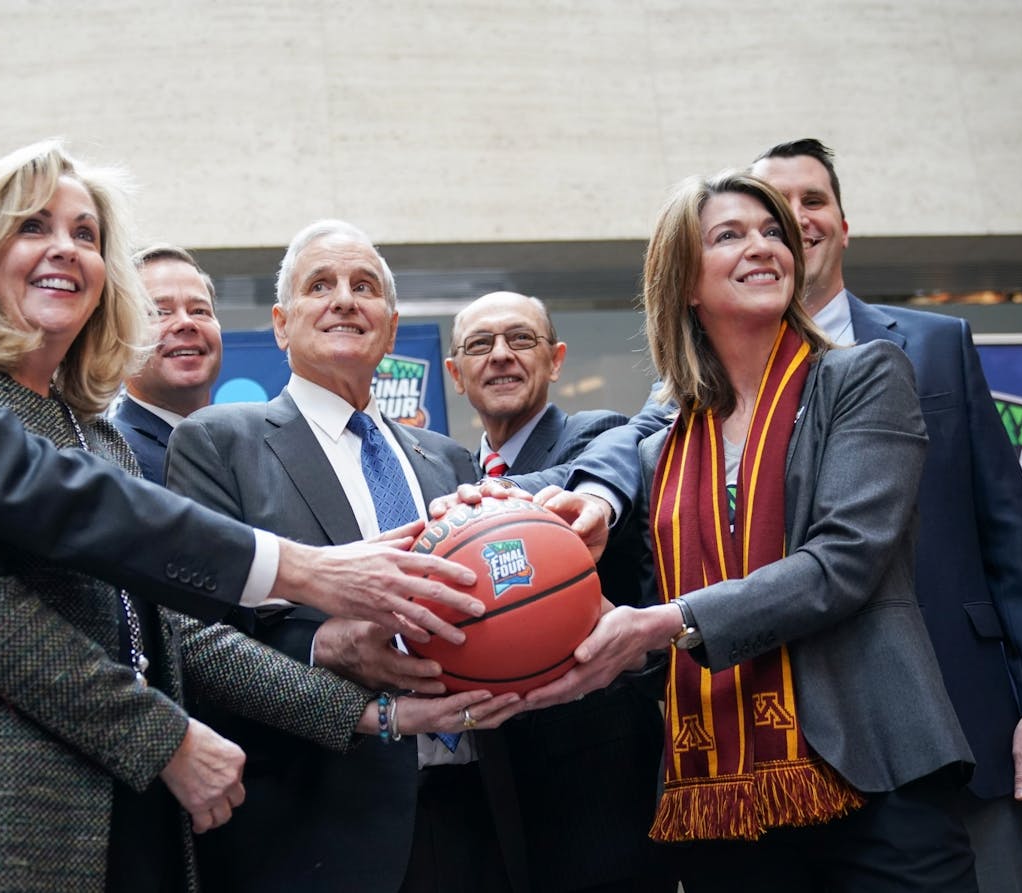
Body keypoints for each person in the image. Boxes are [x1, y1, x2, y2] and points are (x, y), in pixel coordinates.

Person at [0, 62, 481, 892]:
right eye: (32, 226)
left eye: (87, 235)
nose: (64, 249)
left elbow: (170, 633)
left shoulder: (97, 434)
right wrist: (167, 729)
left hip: (115, 814)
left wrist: (362, 710)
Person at [526, 171, 978, 891]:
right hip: (719, 806)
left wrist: (659, 622)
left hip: (874, 772)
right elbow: (658, 613)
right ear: (685, 284)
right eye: (729, 235)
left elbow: (842, 562)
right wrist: (610, 644)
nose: (764, 246)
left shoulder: (863, 377)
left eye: (773, 233)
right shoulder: (662, 441)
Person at [748, 138, 1022, 893]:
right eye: (775, 207)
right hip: (789, 741)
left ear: (843, 222)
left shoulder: (935, 344)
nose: (796, 219)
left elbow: (1013, 535)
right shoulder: (721, 379)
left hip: (956, 719)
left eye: (813, 200)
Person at [166, 220, 528, 893]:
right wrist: (320, 644)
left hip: (476, 805)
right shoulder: (218, 442)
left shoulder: (449, 459)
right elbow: (197, 634)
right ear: (280, 324)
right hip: (320, 821)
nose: (343, 299)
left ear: (389, 329)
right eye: (320, 285)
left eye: (364, 287)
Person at [446, 291, 673, 893]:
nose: (500, 356)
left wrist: (479, 511)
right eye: (480, 345)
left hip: (599, 782)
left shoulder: (596, 440)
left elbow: (616, 450)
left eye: (521, 339)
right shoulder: (449, 477)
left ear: (556, 360)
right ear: (456, 373)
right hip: (490, 792)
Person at [113, 243, 222, 483]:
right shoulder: (111, 455)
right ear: (118, 338)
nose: (186, 322)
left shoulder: (248, 449)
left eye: (200, 311)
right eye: (160, 312)